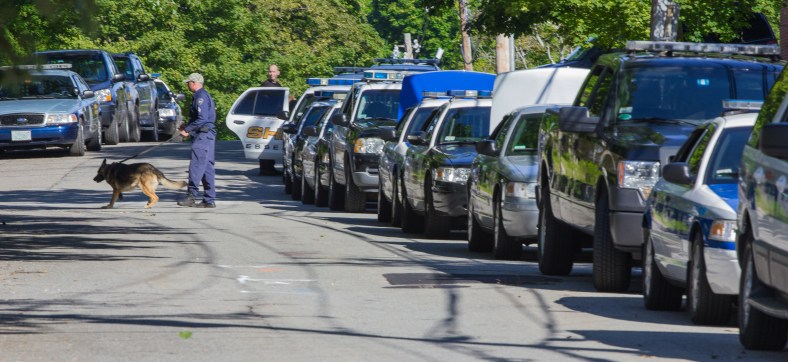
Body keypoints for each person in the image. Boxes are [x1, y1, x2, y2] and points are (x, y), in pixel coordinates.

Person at [177, 73, 217, 208]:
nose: (187, 85)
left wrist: (187, 130)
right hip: (207, 135)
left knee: (196, 166)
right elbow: (200, 119)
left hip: (203, 136)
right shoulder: (203, 95)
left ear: (194, 83)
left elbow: (202, 119)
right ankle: (209, 199)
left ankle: (191, 196)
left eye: (188, 83)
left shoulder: (200, 96)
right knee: (206, 168)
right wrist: (187, 126)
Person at [259, 64, 282, 175]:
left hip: (275, 118)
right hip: (265, 118)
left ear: (278, 73)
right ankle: (264, 168)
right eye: (270, 71)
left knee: (271, 143)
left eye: (273, 72)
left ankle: (270, 167)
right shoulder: (265, 86)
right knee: (265, 143)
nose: (271, 74)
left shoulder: (278, 85)